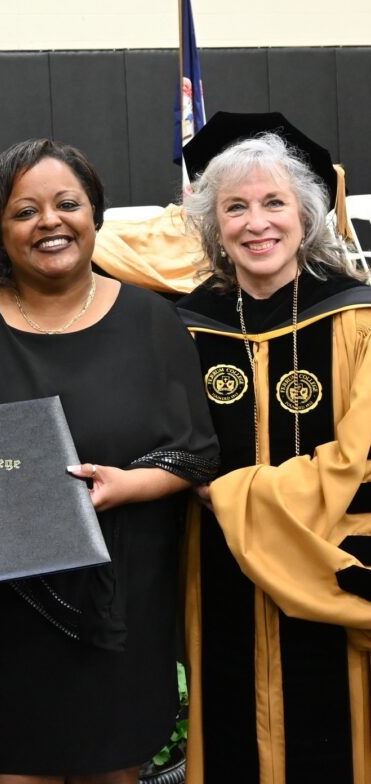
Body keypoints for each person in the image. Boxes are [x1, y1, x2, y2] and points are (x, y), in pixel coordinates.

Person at [0, 139, 219, 784]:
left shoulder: (152, 321)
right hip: (0, 610)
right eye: (24, 211)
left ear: (95, 215)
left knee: (110, 768)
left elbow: (196, 454)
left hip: (118, 602)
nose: (49, 221)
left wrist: (127, 485)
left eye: (67, 203)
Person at [177, 111, 371, 784]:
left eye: (273, 202)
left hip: (326, 575)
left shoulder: (357, 318)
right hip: (215, 586)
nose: (255, 222)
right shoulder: (183, 328)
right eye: (234, 206)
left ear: (306, 214)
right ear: (213, 224)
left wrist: (229, 496)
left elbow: (360, 463)